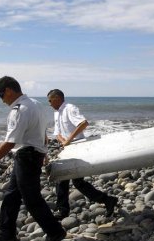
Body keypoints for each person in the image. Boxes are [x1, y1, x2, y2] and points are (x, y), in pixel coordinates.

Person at [0, 76, 66, 241]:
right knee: (12, 194)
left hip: (27, 156)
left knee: (31, 198)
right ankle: (7, 232)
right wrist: (43, 152)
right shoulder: (35, 104)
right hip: (31, 154)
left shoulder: (19, 109)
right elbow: (43, 133)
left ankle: (55, 231)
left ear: (9, 91)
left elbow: (10, 142)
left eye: (1, 95)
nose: (2, 100)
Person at [47, 89, 118, 219]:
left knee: (76, 181)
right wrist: (63, 141)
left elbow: (83, 123)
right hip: (67, 149)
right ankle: (63, 210)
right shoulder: (56, 113)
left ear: (57, 98)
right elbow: (57, 132)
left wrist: (69, 139)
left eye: (50, 100)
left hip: (78, 147)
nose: (49, 104)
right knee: (64, 179)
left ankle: (107, 200)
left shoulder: (70, 108)